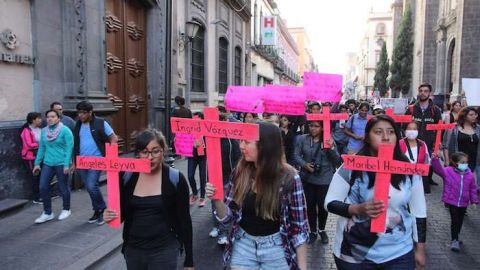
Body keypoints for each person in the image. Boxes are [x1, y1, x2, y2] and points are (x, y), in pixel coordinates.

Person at [325, 115, 427, 270]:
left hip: (398, 253)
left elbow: (419, 212)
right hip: (354, 254)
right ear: (367, 137)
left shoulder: (409, 170)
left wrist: (420, 249)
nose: (386, 137)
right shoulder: (351, 166)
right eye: (378, 132)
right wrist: (357, 209)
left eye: (391, 132)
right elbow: (330, 203)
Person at [206, 123, 309, 270]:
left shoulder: (290, 178)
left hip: (276, 249)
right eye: (241, 141)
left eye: (247, 142)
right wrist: (217, 199)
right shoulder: (240, 172)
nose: (241, 146)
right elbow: (228, 218)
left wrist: (303, 267)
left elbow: (299, 228)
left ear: (265, 146)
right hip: (243, 244)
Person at [103, 129, 194, 269]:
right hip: (133, 251)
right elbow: (121, 214)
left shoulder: (175, 179)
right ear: (138, 153)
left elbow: (184, 221)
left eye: (155, 151)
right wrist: (110, 215)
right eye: (144, 152)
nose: (149, 157)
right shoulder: (128, 177)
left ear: (163, 151)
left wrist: (189, 260)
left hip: (164, 251)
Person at [293, 120, 342, 245]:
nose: (313, 128)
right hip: (308, 177)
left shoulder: (328, 140)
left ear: (322, 128)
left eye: (316, 126)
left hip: (324, 178)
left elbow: (336, 160)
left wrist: (330, 147)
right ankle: (313, 231)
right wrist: (305, 165)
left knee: (322, 206)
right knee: (310, 206)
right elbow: (296, 155)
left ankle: (322, 229)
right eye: (311, 125)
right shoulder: (302, 139)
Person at [74, 101, 118, 225]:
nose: (80, 116)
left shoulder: (100, 123)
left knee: (91, 185)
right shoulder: (77, 125)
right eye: (79, 113)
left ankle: (103, 209)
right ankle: (97, 210)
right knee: (89, 187)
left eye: (83, 113)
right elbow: (76, 143)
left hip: (97, 160)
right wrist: (74, 161)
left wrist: (110, 156)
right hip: (82, 161)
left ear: (90, 112)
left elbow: (113, 138)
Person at [431, 152, 478, 252]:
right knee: (455, 221)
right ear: (455, 162)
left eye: (466, 162)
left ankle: (456, 236)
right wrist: (435, 159)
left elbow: (473, 189)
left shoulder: (469, 175)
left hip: (463, 202)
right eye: (462, 162)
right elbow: (438, 170)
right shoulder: (448, 171)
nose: (465, 164)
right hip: (452, 202)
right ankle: (454, 240)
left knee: (460, 221)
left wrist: (474, 201)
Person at [33, 110, 74, 223]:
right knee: (42, 187)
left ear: (58, 118)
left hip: (62, 163)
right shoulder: (44, 131)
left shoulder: (65, 130)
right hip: (48, 163)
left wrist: (67, 165)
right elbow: (41, 148)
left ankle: (66, 209)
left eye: (52, 116)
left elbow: (69, 148)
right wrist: (37, 163)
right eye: (48, 117)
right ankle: (48, 212)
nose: (49, 119)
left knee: (63, 188)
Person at [405, 83, 442, 192]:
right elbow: (404, 125)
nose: (423, 93)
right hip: (412, 142)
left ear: (429, 93)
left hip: (428, 143)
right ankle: (411, 183)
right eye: (421, 91)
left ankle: (426, 183)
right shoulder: (411, 109)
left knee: (427, 163)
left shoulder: (435, 110)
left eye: (425, 91)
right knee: (412, 162)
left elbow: (439, 128)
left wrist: (437, 144)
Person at [210, 131, 241, 245]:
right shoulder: (210, 138)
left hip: (228, 177)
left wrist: (236, 174)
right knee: (214, 203)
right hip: (214, 177)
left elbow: (238, 158)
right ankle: (215, 227)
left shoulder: (231, 140)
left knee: (224, 204)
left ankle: (223, 233)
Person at [445, 107, 480, 190]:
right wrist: (447, 160)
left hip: (475, 161)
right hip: (459, 162)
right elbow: (445, 145)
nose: (474, 116)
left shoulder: (478, 128)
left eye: (475, 114)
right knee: (459, 185)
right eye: (471, 115)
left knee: (473, 186)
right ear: (464, 116)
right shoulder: (453, 128)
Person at [21, 112, 42, 204]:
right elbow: (29, 145)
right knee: (35, 176)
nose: (41, 120)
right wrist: (41, 144)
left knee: (41, 176)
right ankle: (36, 197)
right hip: (30, 157)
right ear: (33, 120)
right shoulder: (26, 131)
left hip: (40, 155)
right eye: (39, 118)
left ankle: (41, 194)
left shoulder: (39, 129)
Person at [187, 112, 207, 207]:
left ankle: (202, 197)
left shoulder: (206, 130)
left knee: (203, 177)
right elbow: (184, 140)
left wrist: (203, 145)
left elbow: (211, 144)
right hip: (192, 154)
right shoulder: (190, 130)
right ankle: (195, 194)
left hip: (203, 155)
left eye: (197, 120)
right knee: (190, 175)